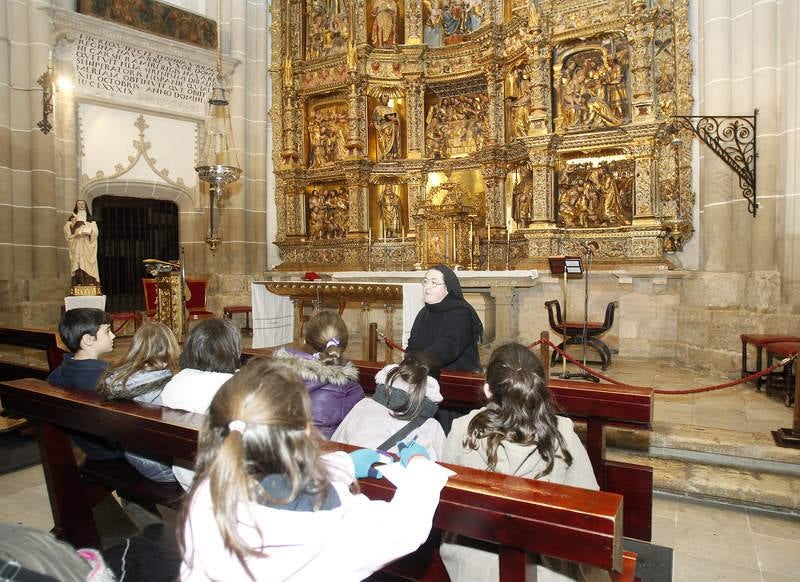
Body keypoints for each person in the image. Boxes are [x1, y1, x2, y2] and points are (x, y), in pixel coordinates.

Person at [177, 356, 452, 581]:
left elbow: (284, 476)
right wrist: (420, 467)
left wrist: (343, 463)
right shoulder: (328, 513)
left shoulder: (209, 489)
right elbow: (401, 530)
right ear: (306, 430)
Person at [440, 342, 601, 582]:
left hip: (475, 566)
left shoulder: (463, 430)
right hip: (547, 570)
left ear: (488, 390)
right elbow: (591, 509)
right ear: (538, 388)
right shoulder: (562, 434)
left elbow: (447, 500)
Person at [161, 318, 242, 489]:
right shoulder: (233, 387)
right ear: (231, 351)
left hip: (186, 474)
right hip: (224, 483)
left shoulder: (175, 382)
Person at [98, 321, 181, 482]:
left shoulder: (116, 380)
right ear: (171, 348)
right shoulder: (169, 386)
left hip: (133, 455)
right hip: (165, 466)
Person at [332, 352, 447, 460]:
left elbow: (335, 447)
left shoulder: (363, 406)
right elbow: (444, 470)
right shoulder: (432, 428)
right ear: (434, 387)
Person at [272, 310, 364, 438]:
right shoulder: (351, 391)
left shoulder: (273, 374)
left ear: (305, 340)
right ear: (343, 347)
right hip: (322, 453)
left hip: (276, 449)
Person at [47, 307, 119, 460]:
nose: (113, 335)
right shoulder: (107, 378)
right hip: (113, 451)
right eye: (107, 331)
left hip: (90, 447)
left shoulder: (56, 376)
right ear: (88, 340)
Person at [406, 264, 483, 373]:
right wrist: (407, 364)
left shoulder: (460, 313)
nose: (427, 287)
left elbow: (448, 347)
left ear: (447, 287)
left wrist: (418, 363)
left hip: (456, 377)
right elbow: (412, 345)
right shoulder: (424, 312)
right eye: (425, 281)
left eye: (434, 283)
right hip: (423, 373)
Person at [64, 199, 100, 287]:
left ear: (86, 206)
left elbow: (95, 232)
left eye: (83, 204)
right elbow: (67, 231)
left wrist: (90, 233)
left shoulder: (91, 220)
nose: (81, 206)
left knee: (88, 263)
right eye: (79, 204)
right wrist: (73, 229)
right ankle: (78, 283)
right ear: (76, 206)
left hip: (87, 245)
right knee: (77, 262)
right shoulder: (72, 219)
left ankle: (90, 283)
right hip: (76, 244)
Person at [372, 93, 401, 161]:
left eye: (386, 99)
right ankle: (384, 155)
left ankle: (392, 155)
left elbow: (398, 120)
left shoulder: (392, 109)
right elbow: (374, 120)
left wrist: (394, 119)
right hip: (382, 129)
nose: (385, 100)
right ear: (381, 100)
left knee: (393, 130)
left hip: (392, 128)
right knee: (383, 141)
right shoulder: (378, 108)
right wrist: (377, 126)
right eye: (384, 99)